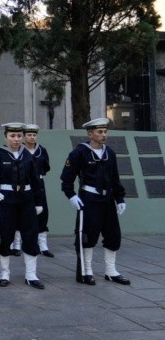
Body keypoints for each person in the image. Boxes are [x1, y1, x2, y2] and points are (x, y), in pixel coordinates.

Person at [60, 117, 129, 286]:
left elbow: (115, 178)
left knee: (113, 236)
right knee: (87, 237)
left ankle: (111, 271)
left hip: (107, 200)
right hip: (88, 200)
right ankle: (87, 271)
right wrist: (71, 196)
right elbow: (66, 178)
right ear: (90, 134)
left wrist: (120, 198)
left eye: (105, 132)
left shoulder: (109, 153)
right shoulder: (79, 152)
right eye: (100, 132)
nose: (104, 135)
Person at [0, 123, 45, 289]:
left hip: (26, 201)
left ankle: (31, 275)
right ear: (5, 137)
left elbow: (36, 181)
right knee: (4, 237)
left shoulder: (28, 156)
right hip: (6, 201)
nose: (16, 139)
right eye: (12, 136)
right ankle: (4, 273)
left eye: (19, 136)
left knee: (30, 236)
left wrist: (38, 202)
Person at [18, 124, 54, 257]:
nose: (32, 137)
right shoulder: (19, 150)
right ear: (24, 136)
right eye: (29, 135)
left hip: (38, 183)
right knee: (20, 212)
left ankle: (43, 245)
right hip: (23, 184)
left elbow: (46, 166)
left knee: (42, 212)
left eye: (34, 135)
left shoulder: (41, 150)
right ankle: (17, 244)